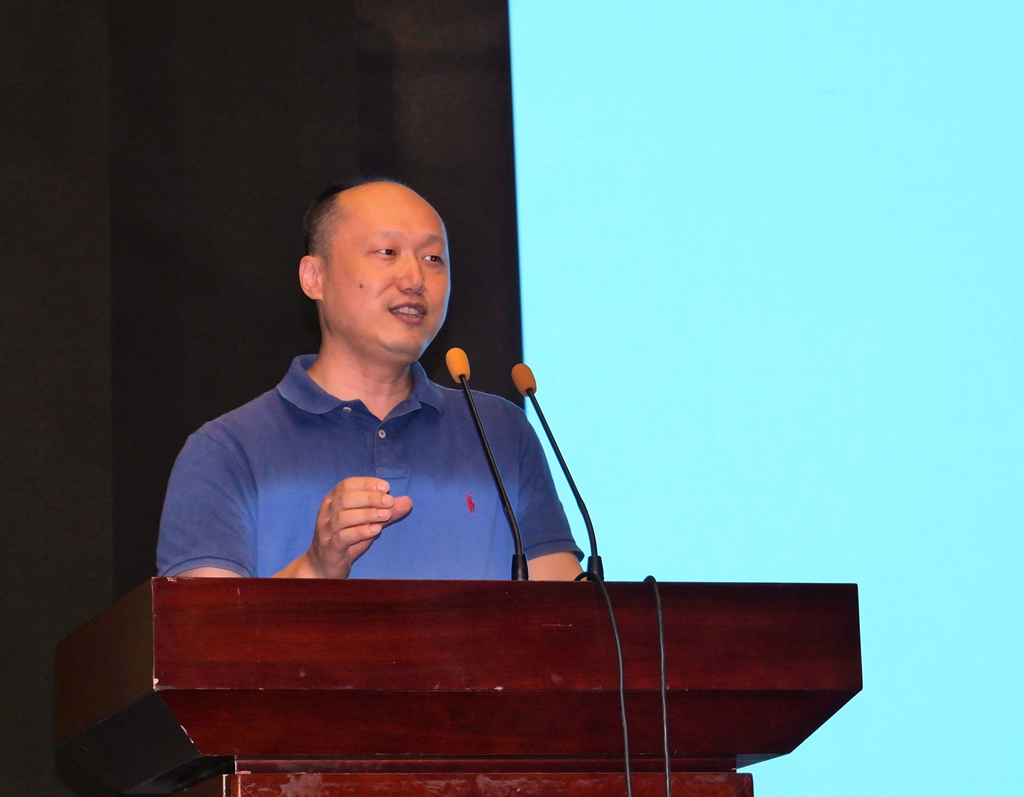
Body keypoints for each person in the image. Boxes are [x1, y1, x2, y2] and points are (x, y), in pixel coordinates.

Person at [157, 179, 583, 580]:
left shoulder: (499, 433)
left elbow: (569, 617)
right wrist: (314, 568)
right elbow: (202, 630)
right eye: (387, 252)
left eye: (433, 259)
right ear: (314, 277)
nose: (415, 279)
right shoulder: (227, 452)